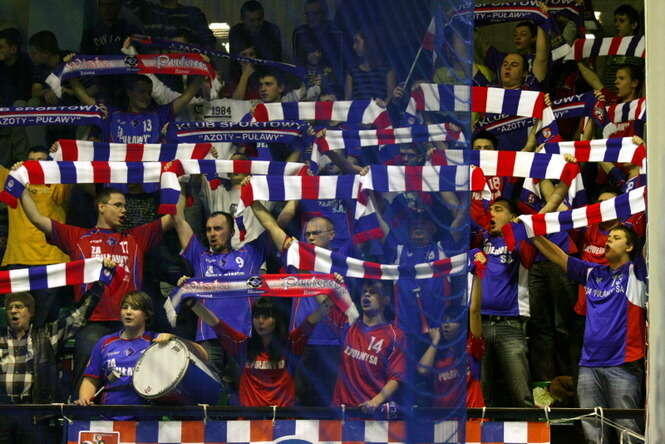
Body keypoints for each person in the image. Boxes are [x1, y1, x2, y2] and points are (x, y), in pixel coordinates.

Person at [17, 185, 178, 387]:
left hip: (130, 323)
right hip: (92, 322)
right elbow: (37, 219)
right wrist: (21, 187)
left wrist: (179, 182)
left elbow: (173, 217)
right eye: (118, 205)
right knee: (85, 377)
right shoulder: (78, 237)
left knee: (139, 378)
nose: (124, 210)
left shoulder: (136, 237)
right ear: (101, 207)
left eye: (125, 206)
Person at [531, 225, 645, 444]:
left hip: (623, 365)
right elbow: (559, 256)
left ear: (630, 247)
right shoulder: (593, 273)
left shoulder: (635, 272)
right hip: (588, 366)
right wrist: (532, 234)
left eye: (616, 237)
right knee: (593, 435)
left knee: (627, 432)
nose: (608, 240)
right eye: (608, 236)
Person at [0, 258, 115, 443]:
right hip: (4, 416)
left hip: (37, 417)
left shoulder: (47, 336)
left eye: (19, 307)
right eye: (10, 308)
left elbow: (78, 316)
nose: (13, 311)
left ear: (31, 312)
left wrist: (100, 284)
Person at [173, 209, 267, 388]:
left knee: (244, 393)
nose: (212, 234)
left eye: (217, 228)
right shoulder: (200, 257)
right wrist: (179, 191)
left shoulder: (249, 254)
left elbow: (273, 227)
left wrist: (255, 202)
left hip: (241, 339)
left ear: (231, 231)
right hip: (209, 339)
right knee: (208, 393)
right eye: (208, 229)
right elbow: (178, 219)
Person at [189, 295, 332, 406]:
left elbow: (311, 321)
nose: (260, 321)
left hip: (282, 422)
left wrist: (332, 294)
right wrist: (191, 302)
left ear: (276, 320)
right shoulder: (242, 344)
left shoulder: (291, 344)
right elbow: (216, 324)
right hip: (248, 423)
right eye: (257, 316)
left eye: (266, 316)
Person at [76, 290, 207, 407]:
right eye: (125, 307)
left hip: (147, 417)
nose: (128, 312)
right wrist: (85, 400)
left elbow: (203, 355)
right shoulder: (105, 343)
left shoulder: (158, 341)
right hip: (110, 416)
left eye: (135, 308)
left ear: (146, 315)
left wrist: (176, 340)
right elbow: (91, 379)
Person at [0, 146, 71, 326]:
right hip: (18, 259)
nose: (36, 164)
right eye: (31, 161)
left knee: (45, 323)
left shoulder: (57, 181)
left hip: (51, 261)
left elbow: (72, 167)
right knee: (16, 320)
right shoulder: (12, 178)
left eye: (41, 160)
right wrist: (16, 172)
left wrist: (61, 152)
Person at [478, 199, 535, 407]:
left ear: (512, 217)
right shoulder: (479, 240)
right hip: (479, 325)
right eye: (490, 210)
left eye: (498, 210)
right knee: (482, 395)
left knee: (521, 393)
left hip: (510, 323)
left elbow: (528, 257)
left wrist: (514, 227)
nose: (491, 213)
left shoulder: (521, 240)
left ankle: (530, 428)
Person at [332, 279, 406, 411]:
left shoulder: (396, 336)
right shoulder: (349, 325)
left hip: (370, 413)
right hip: (341, 410)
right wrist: (335, 282)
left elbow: (396, 378)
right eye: (364, 292)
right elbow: (328, 299)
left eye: (373, 292)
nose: (366, 295)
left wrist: (375, 402)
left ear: (386, 300)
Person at [418, 271, 485, 408]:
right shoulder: (438, 354)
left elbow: (474, 311)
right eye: (444, 321)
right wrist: (435, 341)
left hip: (472, 416)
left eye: (452, 320)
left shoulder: (472, 348)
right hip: (444, 417)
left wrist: (477, 273)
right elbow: (422, 371)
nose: (446, 325)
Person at [345, 30, 395, 103]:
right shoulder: (352, 72)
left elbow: (390, 99)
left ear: (368, 42)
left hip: (379, 109)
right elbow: (347, 102)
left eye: (357, 42)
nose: (354, 47)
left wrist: (382, 105)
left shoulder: (387, 71)